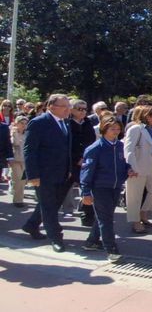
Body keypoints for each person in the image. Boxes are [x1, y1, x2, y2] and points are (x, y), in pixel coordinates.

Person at [22, 94, 73, 252]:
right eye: (64, 106)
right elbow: (30, 150)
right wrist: (33, 175)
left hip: (61, 172)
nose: (68, 109)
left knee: (50, 203)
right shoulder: (39, 122)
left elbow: (65, 149)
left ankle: (31, 225)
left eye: (68, 106)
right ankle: (56, 237)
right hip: (43, 174)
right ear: (51, 106)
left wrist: (69, 169)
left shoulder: (65, 122)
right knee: (49, 206)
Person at [80, 116, 135, 263]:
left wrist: (128, 169)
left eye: (118, 129)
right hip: (100, 187)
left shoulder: (119, 146)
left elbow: (123, 163)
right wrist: (85, 192)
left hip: (115, 187)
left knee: (104, 216)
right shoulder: (95, 148)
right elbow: (87, 171)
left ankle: (91, 241)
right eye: (112, 129)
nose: (116, 132)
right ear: (104, 129)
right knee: (106, 219)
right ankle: (111, 249)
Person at [124, 105, 152, 234]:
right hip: (138, 165)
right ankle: (135, 221)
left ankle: (143, 213)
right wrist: (132, 167)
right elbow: (128, 150)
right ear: (147, 116)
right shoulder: (136, 129)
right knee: (135, 195)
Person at [69, 99, 97, 227]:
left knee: (88, 189)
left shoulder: (87, 122)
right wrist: (77, 158)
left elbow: (91, 141)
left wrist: (86, 157)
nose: (83, 112)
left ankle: (88, 217)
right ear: (72, 110)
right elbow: (68, 144)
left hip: (86, 161)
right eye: (79, 109)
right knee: (59, 195)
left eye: (85, 109)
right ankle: (34, 222)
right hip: (71, 163)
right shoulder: (67, 123)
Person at [9, 115, 28, 207]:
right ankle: (18, 200)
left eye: (25, 123)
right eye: (21, 123)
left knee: (23, 181)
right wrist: (15, 132)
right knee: (18, 180)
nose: (24, 125)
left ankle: (19, 196)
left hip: (25, 160)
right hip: (15, 160)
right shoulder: (12, 133)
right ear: (16, 123)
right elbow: (15, 143)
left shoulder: (27, 134)